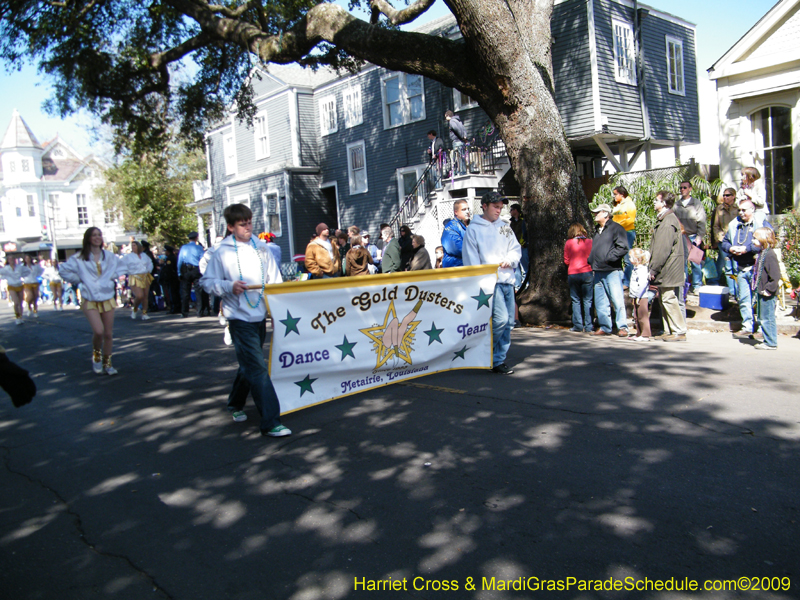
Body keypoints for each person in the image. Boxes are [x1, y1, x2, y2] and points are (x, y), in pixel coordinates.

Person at [199, 203, 291, 437]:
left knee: (248, 364)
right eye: (242, 224)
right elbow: (206, 282)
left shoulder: (262, 247)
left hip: (259, 315)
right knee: (257, 367)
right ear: (231, 227)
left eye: (249, 223)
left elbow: (275, 281)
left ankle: (235, 403)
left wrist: (276, 311)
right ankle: (271, 422)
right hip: (238, 318)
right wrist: (228, 286)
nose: (248, 227)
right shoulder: (221, 251)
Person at [463, 192, 522, 375]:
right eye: (495, 206)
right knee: (500, 320)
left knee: (508, 322)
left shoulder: (505, 227)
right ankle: (485, 353)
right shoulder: (473, 229)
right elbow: (471, 259)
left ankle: (497, 359)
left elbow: (515, 248)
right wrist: (480, 280)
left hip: (507, 280)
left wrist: (510, 260)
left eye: (500, 207)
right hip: (490, 283)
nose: (499, 210)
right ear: (485, 206)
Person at [59, 227, 127, 375]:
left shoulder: (109, 256)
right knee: (98, 331)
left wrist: (112, 276)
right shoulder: (79, 257)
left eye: (99, 235)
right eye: (94, 235)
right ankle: (97, 354)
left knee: (108, 334)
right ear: (88, 238)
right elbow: (63, 270)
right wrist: (80, 279)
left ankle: (107, 363)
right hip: (90, 298)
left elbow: (123, 267)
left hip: (107, 297)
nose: (97, 237)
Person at [721, 199, 772, 339]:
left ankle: (761, 329)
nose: (741, 212)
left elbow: (767, 241)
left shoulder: (761, 223)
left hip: (757, 267)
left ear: (752, 210)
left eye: (744, 210)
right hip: (741, 267)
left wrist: (746, 249)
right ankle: (747, 327)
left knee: (759, 300)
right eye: (739, 210)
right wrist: (731, 248)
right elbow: (725, 242)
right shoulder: (734, 224)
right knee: (744, 299)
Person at [648, 191, 688, 342]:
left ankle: (679, 330)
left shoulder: (667, 221)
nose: (654, 202)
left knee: (669, 298)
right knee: (664, 299)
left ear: (664, 203)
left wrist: (653, 268)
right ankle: (669, 330)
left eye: (656, 200)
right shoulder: (665, 219)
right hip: (667, 266)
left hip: (669, 267)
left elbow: (662, 249)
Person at [587, 203, 629, 337]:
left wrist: (608, 258)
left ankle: (623, 327)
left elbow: (623, 247)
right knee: (600, 302)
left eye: (597, 212)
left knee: (617, 300)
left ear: (605, 213)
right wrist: (591, 260)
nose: (595, 215)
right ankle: (605, 327)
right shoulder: (597, 230)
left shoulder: (616, 228)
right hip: (597, 270)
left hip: (612, 270)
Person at [672, 181, 706, 294]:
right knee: (682, 263)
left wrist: (699, 237)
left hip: (693, 237)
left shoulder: (696, 203)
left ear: (690, 189)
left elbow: (702, 221)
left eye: (685, 187)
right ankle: (684, 286)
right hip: (681, 237)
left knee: (695, 263)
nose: (682, 189)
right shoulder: (677, 205)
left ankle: (697, 286)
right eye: (681, 188)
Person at [751, 227, 780, 350]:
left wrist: (769, 289)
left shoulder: (769, 255)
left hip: (767, 292)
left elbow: (775, 275)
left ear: (764, 239)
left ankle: (771, 342)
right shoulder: (762, 253)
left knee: (767, 318)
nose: (753, 241)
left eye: (755, 238)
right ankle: (768, 340)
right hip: (762, 290)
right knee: (763, 317)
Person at [563, 223, 593, 333]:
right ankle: (589, 326)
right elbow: (593, 257)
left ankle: (578, 325)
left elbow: (566, 260)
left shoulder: (569, 243)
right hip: (587, 272)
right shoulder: (590, 242)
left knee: (576, 300)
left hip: (573, 272)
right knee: (588, 300)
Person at [711, 187, 739, 296]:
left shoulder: (738, 208)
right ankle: (731, 291)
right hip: (723, 241)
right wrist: (719, 238)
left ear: (733, 196)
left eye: (728, 195)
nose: (725, 197)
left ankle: (738, 291)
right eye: (724, 195)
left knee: (736, 266)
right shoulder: (719, 208)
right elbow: (715, 225)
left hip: (736, 240)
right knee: (728, 266)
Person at [177, 232, 208, 317]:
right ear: (196, 238)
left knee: (185, 292)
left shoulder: (184, 248)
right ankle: (199, 312)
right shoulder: (199, 248)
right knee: (198, 291)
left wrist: (179, 272)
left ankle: (184, 312)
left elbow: (180, 261)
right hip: (196, 270)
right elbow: (203, 260)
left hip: (186, 270)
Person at [121, 241, 154, 320]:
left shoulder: (144, 255)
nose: (133, 247)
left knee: (145, 296)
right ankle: (135, 308)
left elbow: (150, 263)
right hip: (135, 276)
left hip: (145, 276)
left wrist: (148, 270)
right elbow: (121, 264)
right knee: (139, 295)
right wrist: (127, 272)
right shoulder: (128, 256)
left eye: (134, 245)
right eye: (132, 246)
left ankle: (144, 313)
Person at [611, 186, 637, 288]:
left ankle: (627, 282)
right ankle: (619, 280)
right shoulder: (617, 205)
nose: (614, 196)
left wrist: (617, 226)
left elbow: (630, 220)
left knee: (627, 258)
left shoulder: (630, 204)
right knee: (617, 257)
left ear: (622, 194)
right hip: (617, 232)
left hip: (627, 232)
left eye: (615, 194)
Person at [628, 248, 655, 341]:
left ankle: (645, 334)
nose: (629, 259)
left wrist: (639, 296)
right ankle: (639, 333)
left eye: (631, 257)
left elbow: (643, 284)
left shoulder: (642, 269)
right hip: (636, 295)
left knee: (642, 316)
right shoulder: (636, 269)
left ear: (637, 259)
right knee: (636, 316)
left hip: (641, 296)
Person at [441, 200, 471, 268]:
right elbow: (460, 249)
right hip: (456, 268)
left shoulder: (471, 225)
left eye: (468, 209)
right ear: (456, 212)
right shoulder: (451, 227)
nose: (467, 212)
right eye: (463, 209)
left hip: (469, 266)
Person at [0, 254, 29, 325]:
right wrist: (4, 277)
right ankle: (17, 316)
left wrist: (23, 277)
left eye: (12, 258)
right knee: (16, 302)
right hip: (11, 286)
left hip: (19, 285)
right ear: (8, 260)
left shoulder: (19, 267)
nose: (11, 260)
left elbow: (27, 271)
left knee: (20, 302)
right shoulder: (6, 268)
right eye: (10, 259)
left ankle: (20, 316)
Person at [445, 110, 468, 175]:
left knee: (457, 158)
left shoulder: (452, 121)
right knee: (462, 157)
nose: (446, 119)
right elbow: (464, 129)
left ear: (448, 115)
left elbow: (455, 128)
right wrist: (465, 137)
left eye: (445, 117)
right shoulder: (459, 121)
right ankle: (463, 171)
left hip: (456, 141)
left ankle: (460, 172)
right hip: (461, 142)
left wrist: (461, 136)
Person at [509, 203, 528, 281]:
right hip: (514, 247)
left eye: (511, 210)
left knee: (525, 266)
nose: (510, 212)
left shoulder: (523, 220)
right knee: (516, 267)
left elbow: (524, 233)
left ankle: (526, 283)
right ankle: (518, 285)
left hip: (522, 247)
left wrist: (522, 243)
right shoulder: (512, 222)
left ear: (515, 210)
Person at [160, 245, 180, 314]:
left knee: (172, 294)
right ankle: (176, 307)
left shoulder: (170, 259)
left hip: (172, 278)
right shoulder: (173, 257)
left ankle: (174, 308)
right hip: (174, 278)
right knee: (175, 293)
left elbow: (169, 269)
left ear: (168, 251)